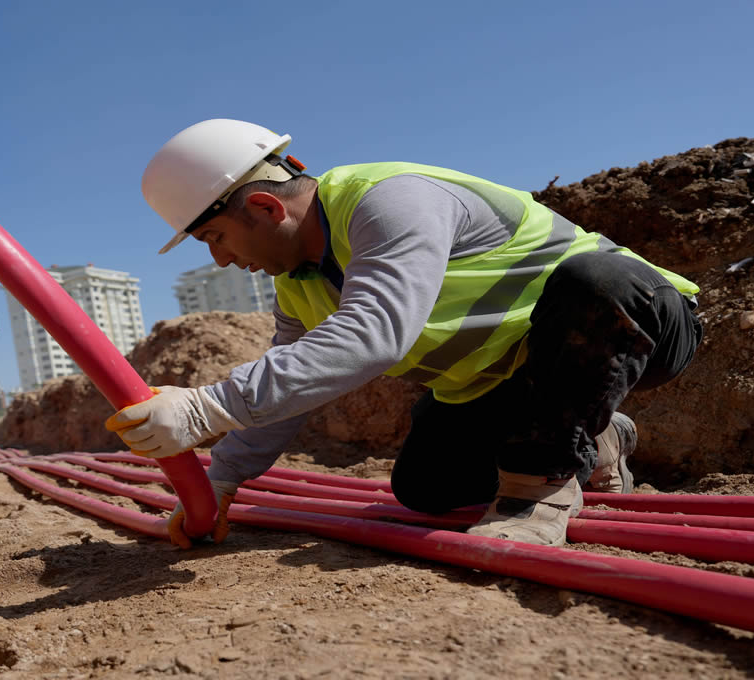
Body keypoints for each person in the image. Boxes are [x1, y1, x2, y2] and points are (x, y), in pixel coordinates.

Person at [105, 119, 702, 547]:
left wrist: (208, 406)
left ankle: (538, 489)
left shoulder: (389, 201)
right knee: (426, 487)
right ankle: (596, 436)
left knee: (597, 278)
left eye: (215, 238)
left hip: (631, 324)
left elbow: (375, 333)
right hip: (512, 385)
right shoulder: (300, 283)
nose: (222, 261)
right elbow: (292, 391)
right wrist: (219, 481)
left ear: (264, 208)